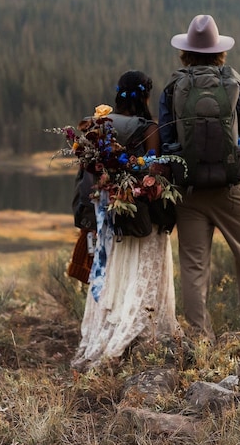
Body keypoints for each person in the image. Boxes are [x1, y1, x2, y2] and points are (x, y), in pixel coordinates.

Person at [158, 14, 240, 339]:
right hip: (232, 190)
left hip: (189, 192)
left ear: (186, 52)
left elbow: (167, 147)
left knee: (194, 266)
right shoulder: (235, 85)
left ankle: (199, 335)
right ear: (219, 51)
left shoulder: (172, 89)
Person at [71, 70, 182, 371]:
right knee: (140, 276)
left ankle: (106, 331)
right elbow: (155, 171)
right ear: (146, 96)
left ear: (118, 95)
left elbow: (87, 176)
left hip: (108, 221)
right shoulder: (150, 128)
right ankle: (140, 336)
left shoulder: (98, 125)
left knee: (112, 277)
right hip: (142, 219)